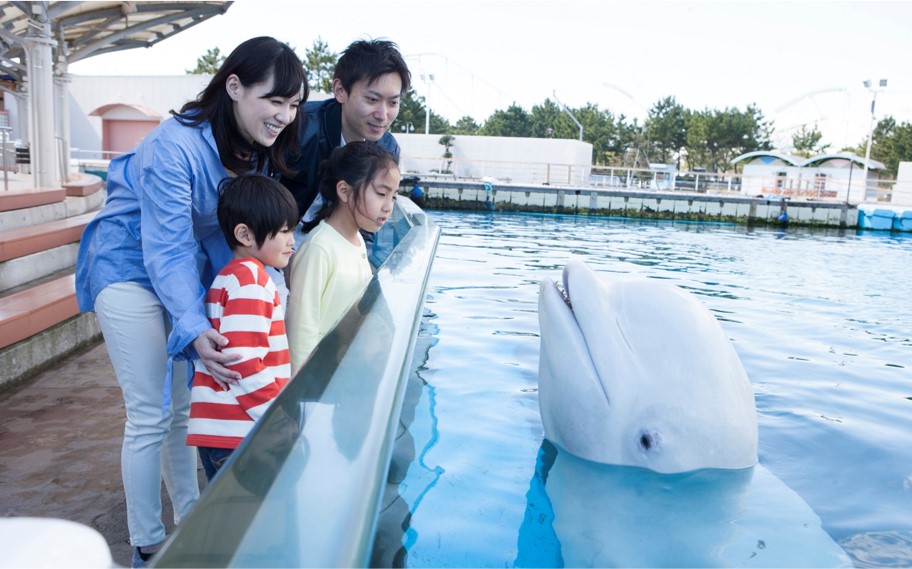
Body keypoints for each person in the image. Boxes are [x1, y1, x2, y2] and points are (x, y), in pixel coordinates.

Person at [74, 37, 307, 568]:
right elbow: (167, 246)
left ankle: (190, 517)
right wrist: (193, 321)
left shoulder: (251, 148)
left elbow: (233, 239)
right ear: (234, 87)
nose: (284, 116)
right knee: (149, 413)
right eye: (274, 100)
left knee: (185, 407)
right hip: (129, 267)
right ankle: (147, 544)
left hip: (185, 270)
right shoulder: (173, 146)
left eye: (292, 105)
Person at [186, 174, 298, 481]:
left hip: (224, 429)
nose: (292, 241)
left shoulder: (228, 277)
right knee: (248, 522)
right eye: (285, 231)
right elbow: (243, 360)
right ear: (245, 235)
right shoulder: (251, 280)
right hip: (241, 432)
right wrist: (276, 418)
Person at [285, 141, 400, 374]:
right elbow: (301, 328)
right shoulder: (320, 248)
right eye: (381, 193)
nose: (388, 207)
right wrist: (293, 398)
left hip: (338, 370)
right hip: (313, 379)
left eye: (394, 196)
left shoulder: (356, 241)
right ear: (345, 191)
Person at [281, 38, 410, 225]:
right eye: (372, 100)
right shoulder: (298, 126)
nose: (383, 115)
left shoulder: (387, 150)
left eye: (393, 103)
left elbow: (369, 222)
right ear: (340, 90)